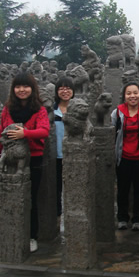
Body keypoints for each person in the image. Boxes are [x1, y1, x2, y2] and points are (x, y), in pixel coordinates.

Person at [0, 72, 50, 253]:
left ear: (32, 89)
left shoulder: (39, 109)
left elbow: (44, 131)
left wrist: (25, 133)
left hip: (33, 158)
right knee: (11, 195)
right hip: (10, 158)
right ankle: (12, 233)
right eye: (18, 86)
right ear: (13, 89)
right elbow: (1, 132)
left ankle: (32, 236)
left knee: (30, 198)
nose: (22, 90)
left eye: (26, 86)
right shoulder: (7, 109)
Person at [110, 82, 139, 231]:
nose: (132, 96)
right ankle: (122, 218)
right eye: (129, 93)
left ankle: (138, 218)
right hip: (123, 157)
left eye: (135, 93)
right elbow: (111, 132)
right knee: (122, 189)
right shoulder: (117, 113)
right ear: (124, 96)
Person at [53, 77, 74, 218]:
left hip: (73, 155)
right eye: (61, 88)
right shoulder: (51, 110)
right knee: (56, 188)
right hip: (56, 155)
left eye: (68, 88)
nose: (65, 91)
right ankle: (57, 215)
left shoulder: (78, 108)